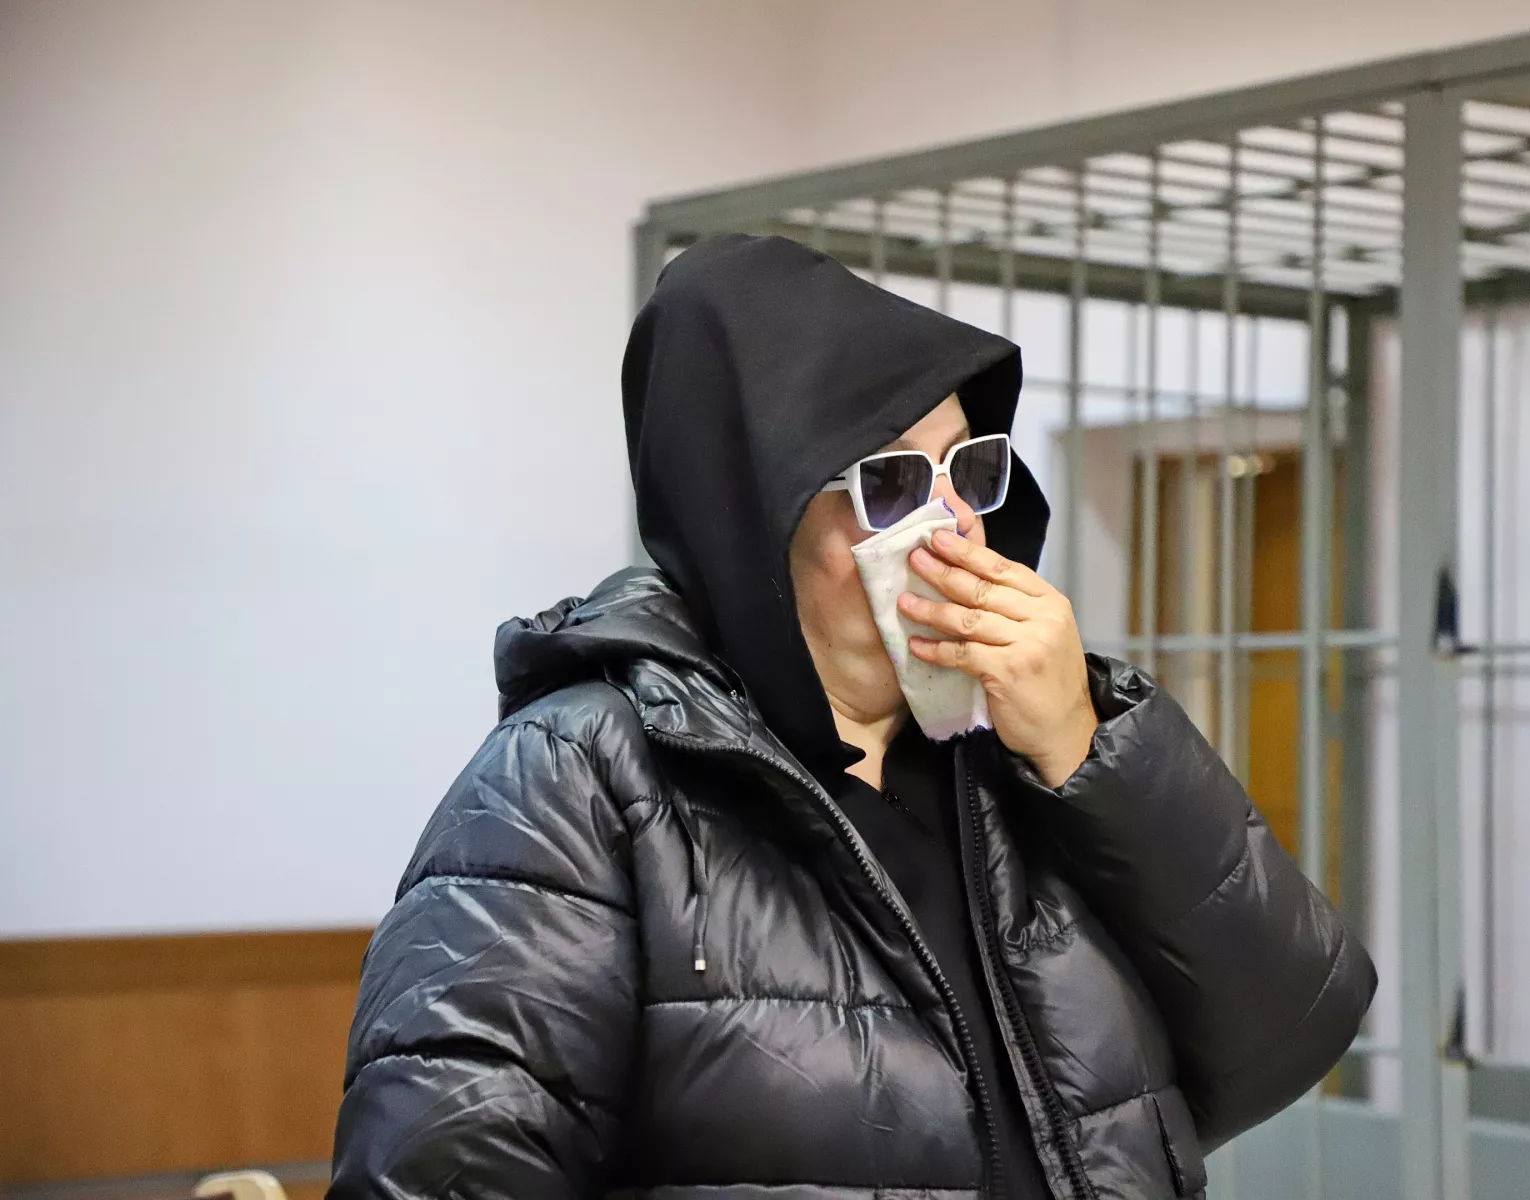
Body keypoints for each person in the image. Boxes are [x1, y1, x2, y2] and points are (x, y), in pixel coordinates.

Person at [327, 234, 1375, 1199]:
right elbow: (437, 1171)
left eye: (968, 469)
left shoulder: (1013, 759)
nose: (953, 526)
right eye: (891, 484)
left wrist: (1085, 746)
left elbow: (1292, 1027)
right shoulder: (581, 776)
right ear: (756, 508)